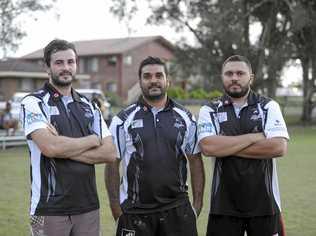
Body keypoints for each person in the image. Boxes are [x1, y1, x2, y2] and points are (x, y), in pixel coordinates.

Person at [20, 39, 117, 236]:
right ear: (47, 67)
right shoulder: (33, 103)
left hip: (88, 206)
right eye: (59, 63)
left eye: (70, 62)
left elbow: (109, 153)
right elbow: (50, 148)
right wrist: (92, 140)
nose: (66, 67)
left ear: (76, 65)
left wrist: (62, 147)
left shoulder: (89, 106)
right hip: (49, 208)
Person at [105, 56, 205, 236]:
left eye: (159, 75)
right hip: (135, 211)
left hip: (177, 210)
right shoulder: (123, 120)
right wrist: (115, 207)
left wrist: (197, 204)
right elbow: (112, 163)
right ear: (140, 81)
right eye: (147, 76)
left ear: (168, 80)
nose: (153, 80)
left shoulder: (185, 117)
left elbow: (195, 160)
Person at [197, 55, 289, 236]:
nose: (234, 78)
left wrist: (226, 146)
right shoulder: (209, 110)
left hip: (265, 206)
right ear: (222, 77)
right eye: (229, 73)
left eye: (240, 73)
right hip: (223, 206)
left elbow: (278, 147)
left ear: (251, 77)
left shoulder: (268, 106)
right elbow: (209, 148)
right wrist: (255, 137)